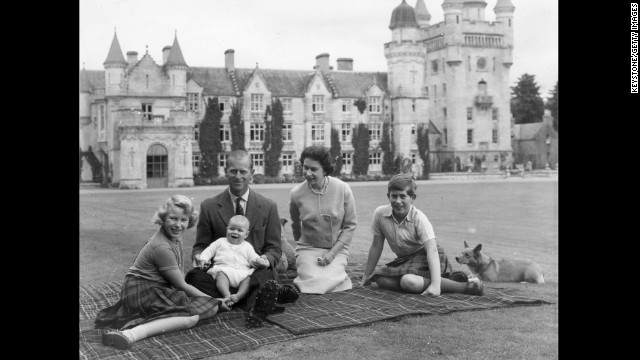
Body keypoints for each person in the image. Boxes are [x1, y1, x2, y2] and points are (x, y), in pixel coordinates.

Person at [185, 150, 299, 328]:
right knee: (193, 277)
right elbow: (201, 246)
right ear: (225, 171)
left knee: (266, 275)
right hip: (221, 274)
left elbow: (274, 249)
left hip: (253, 273)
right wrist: (199, 258)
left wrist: (265, 260)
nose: (238, 176)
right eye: (233, 171)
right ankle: (259, 298)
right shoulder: (209, 206)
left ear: (252, 174)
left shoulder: (268, 206)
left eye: (243, 171)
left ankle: (229, 300)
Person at [95, 195, 223, 350]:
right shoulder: (161, 247)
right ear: (163, 218)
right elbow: (181, 285)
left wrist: (211, 302)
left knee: (209, 307)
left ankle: (156, 320)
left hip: (155, 288)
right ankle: (131, 334)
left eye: (183, 220)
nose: (178, 225)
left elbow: (179, 275)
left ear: (190, 221)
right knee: (192, 318)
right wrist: (216, 300)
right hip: (141, 291)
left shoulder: (176, 238)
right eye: (173, 218)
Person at [360, 174, 484, 296]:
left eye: (403, 196)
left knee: (408, 281)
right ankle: (448, 280)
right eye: (394, 196)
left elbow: (432, 250)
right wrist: (366, 275)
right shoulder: (380, 214)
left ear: (412, 198)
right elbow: (376, 245)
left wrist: (435, 286)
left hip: (427, 257)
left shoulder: (419, 218)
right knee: (380, 278)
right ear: (388, 196)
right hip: (405, 260)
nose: (398, 201)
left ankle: (464, 287)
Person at [289, 145, 357, 294]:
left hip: (336, 249)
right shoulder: (296, 194)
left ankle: (330, 279)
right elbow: (295, 226)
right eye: (305, 168)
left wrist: (332, 253)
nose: (307, 173)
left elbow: (350, 226)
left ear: (325, 170)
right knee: (313, 278)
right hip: (308, 248)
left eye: (313, 169)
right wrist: (301, 250)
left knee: (327, 279)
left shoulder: (343, 189)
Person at [195, 215, 270, 308]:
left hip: (242, 273)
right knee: (220, 277)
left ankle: (238, 296)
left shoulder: (247, 246)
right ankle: (227, 295)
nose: (235, 232)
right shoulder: (220, 242)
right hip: (224, 270)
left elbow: (253, 257)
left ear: (246, 234)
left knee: (248, 280)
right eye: (232, 229)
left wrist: (259, 260)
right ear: (227, 229)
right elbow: (209, 250)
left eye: (240, 230)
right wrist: (203, 259)